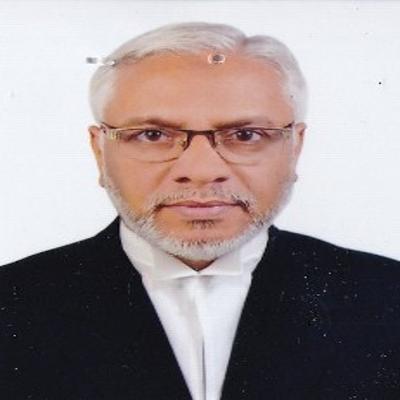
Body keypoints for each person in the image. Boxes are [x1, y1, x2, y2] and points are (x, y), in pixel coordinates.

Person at [1, 22, 399, 400]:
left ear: (295, 147)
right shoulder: (12, 306)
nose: (201, 170)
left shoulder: (387, 298)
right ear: (99, 151)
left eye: (245, 135)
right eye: (153, 135)